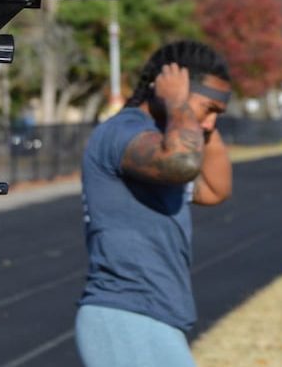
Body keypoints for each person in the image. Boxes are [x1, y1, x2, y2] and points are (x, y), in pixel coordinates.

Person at [75, 40, 233, 367]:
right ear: (169, 89)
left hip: (151, 317)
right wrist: (178, 104)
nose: (209, 123)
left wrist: (202, 120)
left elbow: (214, 190)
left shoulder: (164, 141)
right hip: (126, 314)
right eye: (208, 109)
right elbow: (181, 163)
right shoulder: (125, 132)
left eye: (218, 114)